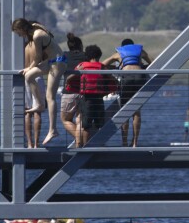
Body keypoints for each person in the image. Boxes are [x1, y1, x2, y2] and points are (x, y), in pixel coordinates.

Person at [12, 18, 66, 146]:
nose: (19, 35)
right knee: (29, 76)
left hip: (58, 62)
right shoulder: (35, 26)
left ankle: (53, 130)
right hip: (51, 61)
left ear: (23, 29)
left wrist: (30, 66)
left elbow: (37, 57)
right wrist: (29, 69)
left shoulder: (36, 36)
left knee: (50, 96)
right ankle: (40, 104)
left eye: (18, 32)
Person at [103, 39, 152, 147]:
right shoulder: (140, 51)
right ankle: (135, 143)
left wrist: (115, 68)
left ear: (122, 46)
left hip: (127, 78)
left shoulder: (119, 53)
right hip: (140, 77)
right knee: (136, 112)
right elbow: (153, 62)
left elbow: (103, 65)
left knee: (125, 111)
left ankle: (124, 142)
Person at [77, 45, 118, 145]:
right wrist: (111, 89)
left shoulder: (82, 66)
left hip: (86, 98)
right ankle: (99, 145)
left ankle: (85, 147)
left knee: (86, 126)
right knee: (99, 124)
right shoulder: (101, 67)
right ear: (99, 55)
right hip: (99, 98)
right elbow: (112, 79)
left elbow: (74, 79)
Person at [61, 33, 88, 147]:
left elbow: (54, 63)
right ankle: (79, 142)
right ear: (80, 45)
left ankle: (79, 141)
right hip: (83, 92)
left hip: (69, 92)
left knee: (65, 120)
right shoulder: (86, 56)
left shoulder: (64, 56)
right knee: (80, 120)